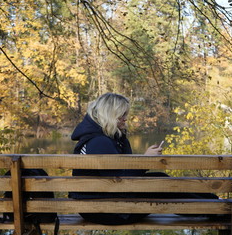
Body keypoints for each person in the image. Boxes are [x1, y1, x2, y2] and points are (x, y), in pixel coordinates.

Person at [69, 93, 218, 225]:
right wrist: (145, 160)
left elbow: (122, 178)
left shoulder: (105, 138)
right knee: (160, 184)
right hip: (107, 211)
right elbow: (120, 182)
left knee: (160, 179)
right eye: (121, 115)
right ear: (109, 114)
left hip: (104, 205)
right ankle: (215, 209)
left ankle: (214, 205)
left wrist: (138, 156)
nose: (125, 118)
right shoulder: (99, 142)